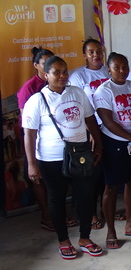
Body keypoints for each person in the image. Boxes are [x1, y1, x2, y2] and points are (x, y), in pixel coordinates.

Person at [23, 56, 104, 259]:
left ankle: (85, 238)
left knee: (86, 196)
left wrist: (98, 144)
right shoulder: (37, 100)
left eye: (65, 71)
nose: (61, 76)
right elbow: (30, 134)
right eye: (56, 72)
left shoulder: (77, 93)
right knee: (56, 199)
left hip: (80, 154)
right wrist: (32, 164)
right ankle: (63, 240)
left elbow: (89, 119)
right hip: (51, 159)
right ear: (46, 75)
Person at [94, 52, 131, 248]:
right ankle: (111, 232)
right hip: (114, 143)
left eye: (125, 66)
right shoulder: (104, 91)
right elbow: (108, 122)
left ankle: (130, 225)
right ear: (108, 70)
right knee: (110, 187)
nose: (122, 71)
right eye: (117, 67)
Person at [17, 47, 60, 231]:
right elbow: (28, 126)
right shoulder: (29, 88)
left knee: (55, 181)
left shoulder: (59, 84)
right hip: (36, 142)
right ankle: (47, 217)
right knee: (39, 180)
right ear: (36, 66)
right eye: (45, 64)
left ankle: (58, 215)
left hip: (57, 142)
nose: (49, 66)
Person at [68, 38, 110, 230]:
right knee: (90, 174)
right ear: (84, 54)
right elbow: (79, 107)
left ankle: (105, 209)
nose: (96, 55)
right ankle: (91, 212)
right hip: (90, 130)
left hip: (108, 128)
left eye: (98, 51)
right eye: (91, 52)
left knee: (105, 174)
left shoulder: (108, 71)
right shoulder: (78, 76)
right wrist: (90, 132)